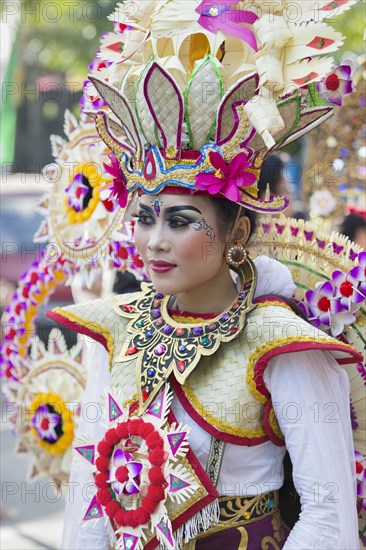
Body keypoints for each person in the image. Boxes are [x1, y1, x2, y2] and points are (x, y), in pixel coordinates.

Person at [47, 4, 362, 549]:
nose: (155, 240)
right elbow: (88, 509)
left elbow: (329, 520)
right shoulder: (114, 332)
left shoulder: (279, 342)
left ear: (236, 233)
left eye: (181, 220)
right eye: (144, 217)